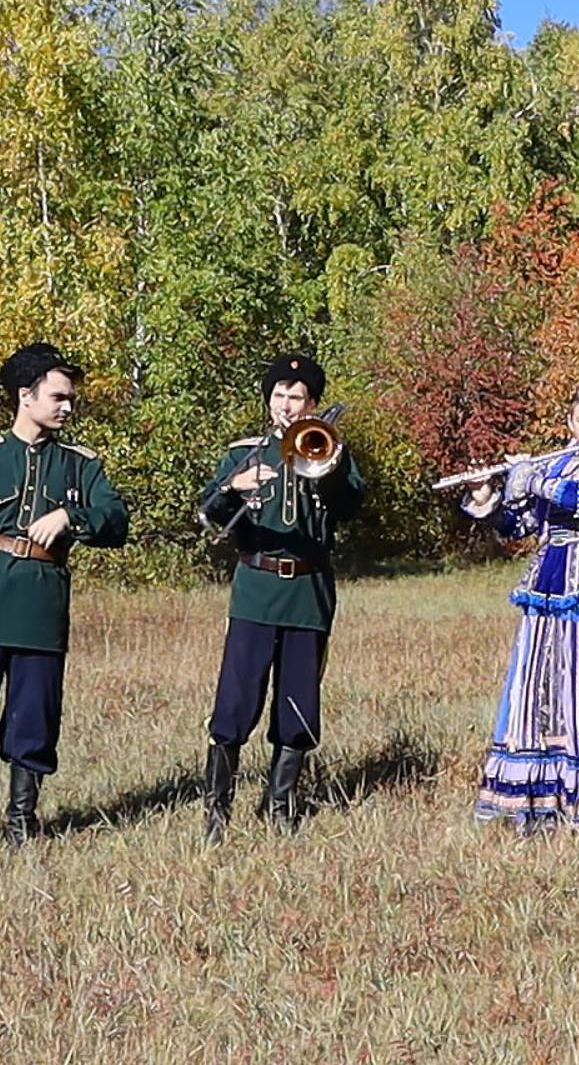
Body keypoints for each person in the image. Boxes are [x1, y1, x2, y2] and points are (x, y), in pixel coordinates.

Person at [0, 343, 131, 853]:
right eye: (57, 397)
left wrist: (70, 517)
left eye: (70, 399)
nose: (67, 407)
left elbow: (117, 521)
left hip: (42, 615)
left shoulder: (81, 468)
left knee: (33, 723)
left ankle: (21, 826)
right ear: (25, 395)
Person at [193, 353, 366, 839]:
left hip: (309, 591)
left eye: (297, 397)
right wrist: (233, 486)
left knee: (298, 701)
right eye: (279, 396)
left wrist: (323, 461)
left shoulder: (329, 450)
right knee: (236, 699)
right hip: (255, 589)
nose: (287, 405)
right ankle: (216, 809)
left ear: (313, 403)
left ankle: (280, 803)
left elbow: (352, 505)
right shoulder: (244, 453)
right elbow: (207, 512)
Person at [463, 388, 579, 829]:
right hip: (549, 584)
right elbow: (520, 525)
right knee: (544, 687)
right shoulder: (556, 462)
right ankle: (539, 795)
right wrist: (485, 495)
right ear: (569, 425)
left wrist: (531, 477)